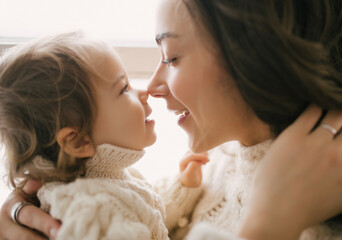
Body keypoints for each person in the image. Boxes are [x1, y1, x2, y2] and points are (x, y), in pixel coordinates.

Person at [1, 0, 342, 239]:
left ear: (254, 60)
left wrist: (268, 225)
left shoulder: (322, 218)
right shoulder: (225, 156)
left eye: (172, 57)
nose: (154, 86)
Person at [0, 31, 211, 240]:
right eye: (124, 88)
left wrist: (182, 187)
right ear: (78, 141)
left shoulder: (107, 179)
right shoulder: (91, 209)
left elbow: (147, 215)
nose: (145, 92)